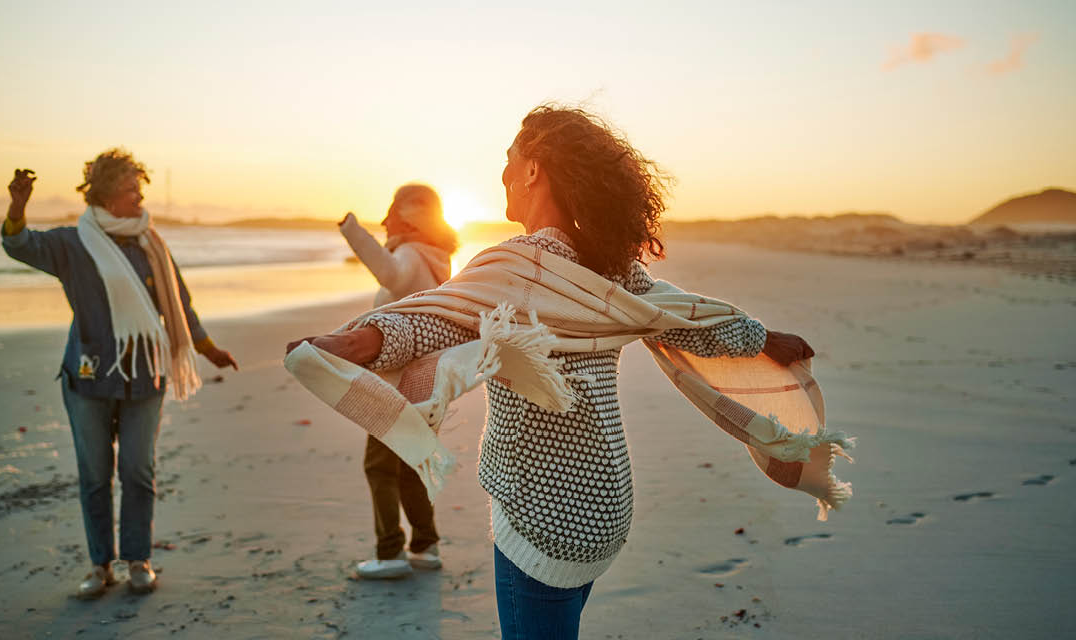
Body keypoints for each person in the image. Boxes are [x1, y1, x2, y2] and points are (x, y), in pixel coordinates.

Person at [285, 105, 849, 639]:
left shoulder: (515, 265)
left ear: (532, 169)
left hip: (542, 514)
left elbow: (433, 318)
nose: (501, 171)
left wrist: (355, 340)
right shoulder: (609, 268)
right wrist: (763, 338)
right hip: (604, 505)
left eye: (509, 157)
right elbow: (684, 316)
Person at [2, 149, 238, 599]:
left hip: (145, 377)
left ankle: (138, 560)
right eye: (131, 188)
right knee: (94, 475)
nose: (140, 195)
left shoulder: (151, 243)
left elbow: (180, 306)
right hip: (88, 377)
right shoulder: (73, 243)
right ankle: (99, 564)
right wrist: (18, 206)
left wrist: (207, 348)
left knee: (137, 471)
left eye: (140, 186)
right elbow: (20, 245)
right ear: (107, 194)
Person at [336, 184, 458, 579]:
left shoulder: (409, 255)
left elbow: (390, 273)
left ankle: (390, 553)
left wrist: (353, 230)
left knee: (380, 467)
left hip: (395, 380)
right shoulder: (437, 259)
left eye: (391, 213)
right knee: (409, 466)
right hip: (425, 379)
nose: (385, 220)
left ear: (406, 216)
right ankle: (426, 545)